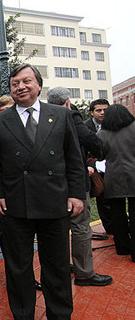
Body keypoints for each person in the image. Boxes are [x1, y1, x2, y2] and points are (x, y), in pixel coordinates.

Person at [0, 64, 85, 319]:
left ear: (39, 85)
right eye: (15, 83)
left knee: (56, 266)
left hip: (55, 203)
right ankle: (23, 314)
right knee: (18, 268)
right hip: (15, 204)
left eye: (26, 81)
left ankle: (60, 314)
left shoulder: (61, 115)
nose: (20, 87)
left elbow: (74, 159)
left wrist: (76, 194)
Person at [47, 87, 113, 286]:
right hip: (74, 182)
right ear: (67, 102)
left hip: (52, 183)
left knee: (57, 226)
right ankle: (84, 273)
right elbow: (91, 140)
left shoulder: (43, 116)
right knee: (80, 227)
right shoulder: (71, 115)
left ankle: (61, 266)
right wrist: (97, 154)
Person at [97, 104, 135, 261]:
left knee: (117, 214)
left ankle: (122, 247)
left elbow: (99, 155)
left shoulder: (102, 134)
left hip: (113, 176)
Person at [84, 99, 113, 234]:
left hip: (111, 167)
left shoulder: (114, 126)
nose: (102, 113)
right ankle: (109, 227)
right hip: (93, 169)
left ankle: (114, 228)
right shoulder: (84, 127)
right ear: (91, 112)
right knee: (100, 198)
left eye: (105, 110)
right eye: (98, 110)